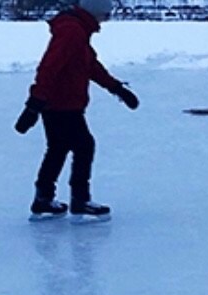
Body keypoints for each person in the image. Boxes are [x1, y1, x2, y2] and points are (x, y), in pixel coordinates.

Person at [15, 0, 139, 221]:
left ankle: (43, 198)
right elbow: (49, 66)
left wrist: (117, 88)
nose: (106, 19)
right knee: (84, 145)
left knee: (58, 148)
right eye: (105, 14)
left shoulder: (79, 30)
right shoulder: (72, 31)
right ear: (95, 10)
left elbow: (91, 66)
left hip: (60, 103)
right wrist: (34, 103)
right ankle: (80, 199)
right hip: (61, 104)